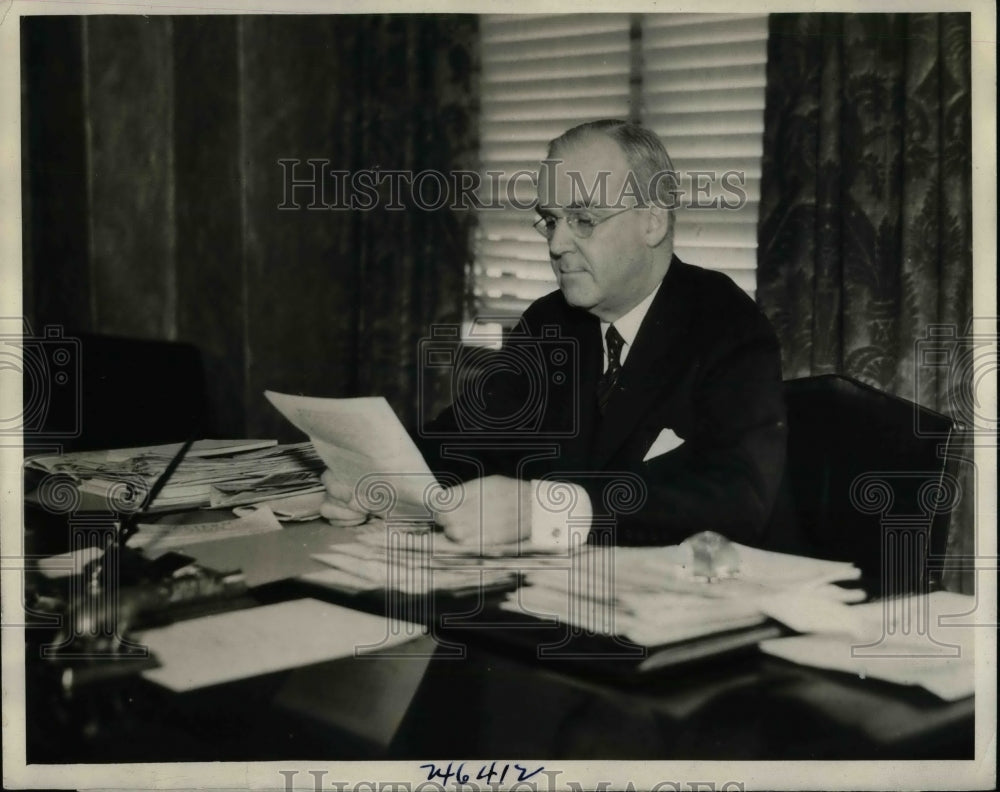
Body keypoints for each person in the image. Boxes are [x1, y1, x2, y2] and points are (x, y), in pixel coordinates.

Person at [323, 119, 787, 550]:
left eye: (583, 219)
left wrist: (546, 509)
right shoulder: (549, 323)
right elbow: (466, 438)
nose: (556, 244)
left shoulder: (724, 322)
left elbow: (738, 494)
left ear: (653, 220)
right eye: (551, 220)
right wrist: (377, 477)